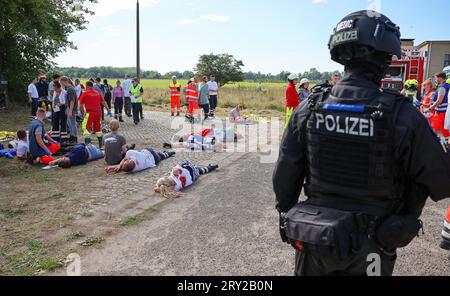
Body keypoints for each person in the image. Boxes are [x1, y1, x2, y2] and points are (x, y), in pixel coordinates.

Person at [273, 10, 450, 276]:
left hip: (314, 238)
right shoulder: (402, 115)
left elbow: (284, 176)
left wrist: (289, 217)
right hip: (373, 243)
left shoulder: (308, 108)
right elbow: (440, 180)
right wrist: (406, 215)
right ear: (384, 58)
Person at [154, 161, 219, 198]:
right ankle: (210, 167)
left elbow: (161, 188)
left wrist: (159, 188)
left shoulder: (174, 188)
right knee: (197, 169)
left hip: (193, 178)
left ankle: (210, 167)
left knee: (200, 171)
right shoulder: (174, 173)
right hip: (190, 170)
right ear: (166, 178)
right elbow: (179, 168)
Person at [79, 81, 111, 147]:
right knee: (97, 127)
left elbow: (81, 105)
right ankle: (100, 144)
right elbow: (103, 102)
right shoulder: (97, 93)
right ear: (92, 86)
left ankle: (88, 145)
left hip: (89, 113)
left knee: (85, 127)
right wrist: (108, 110)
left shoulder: (85, 93)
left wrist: (82, 113)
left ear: (87, 86)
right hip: (98, 113)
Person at [105, 149, 175, 174]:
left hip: (154, 159)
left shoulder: (134, 169)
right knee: (161, 155)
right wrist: (119, 165)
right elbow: (124, 160)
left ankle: (167, 153)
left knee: (161, 156)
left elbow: (124, 167)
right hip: (149, 152)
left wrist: (114, 167)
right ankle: (166, 153)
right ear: (130, 160)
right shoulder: (131, 153)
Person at [427, 72, 450, 141]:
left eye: (436, 78)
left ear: (440, 78)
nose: (435, 79)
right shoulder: (447, 86)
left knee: (432, 131)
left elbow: (439, 101)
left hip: (439, 113)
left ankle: (429, 145)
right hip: (444, 113)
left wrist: (431, 107)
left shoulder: (442, 87)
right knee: (445, 131)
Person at [61, 77, 79, 144]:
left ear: (64, 81)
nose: (61, 83)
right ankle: (72, 136)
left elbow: (72, 101)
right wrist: (67, 108)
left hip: (71, 108)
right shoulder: (69, 88)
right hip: (69, 108)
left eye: (61, 82)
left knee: (72, 124)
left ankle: (74, 138)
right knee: (70, 123)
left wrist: (70, 110)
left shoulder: (70, 89)